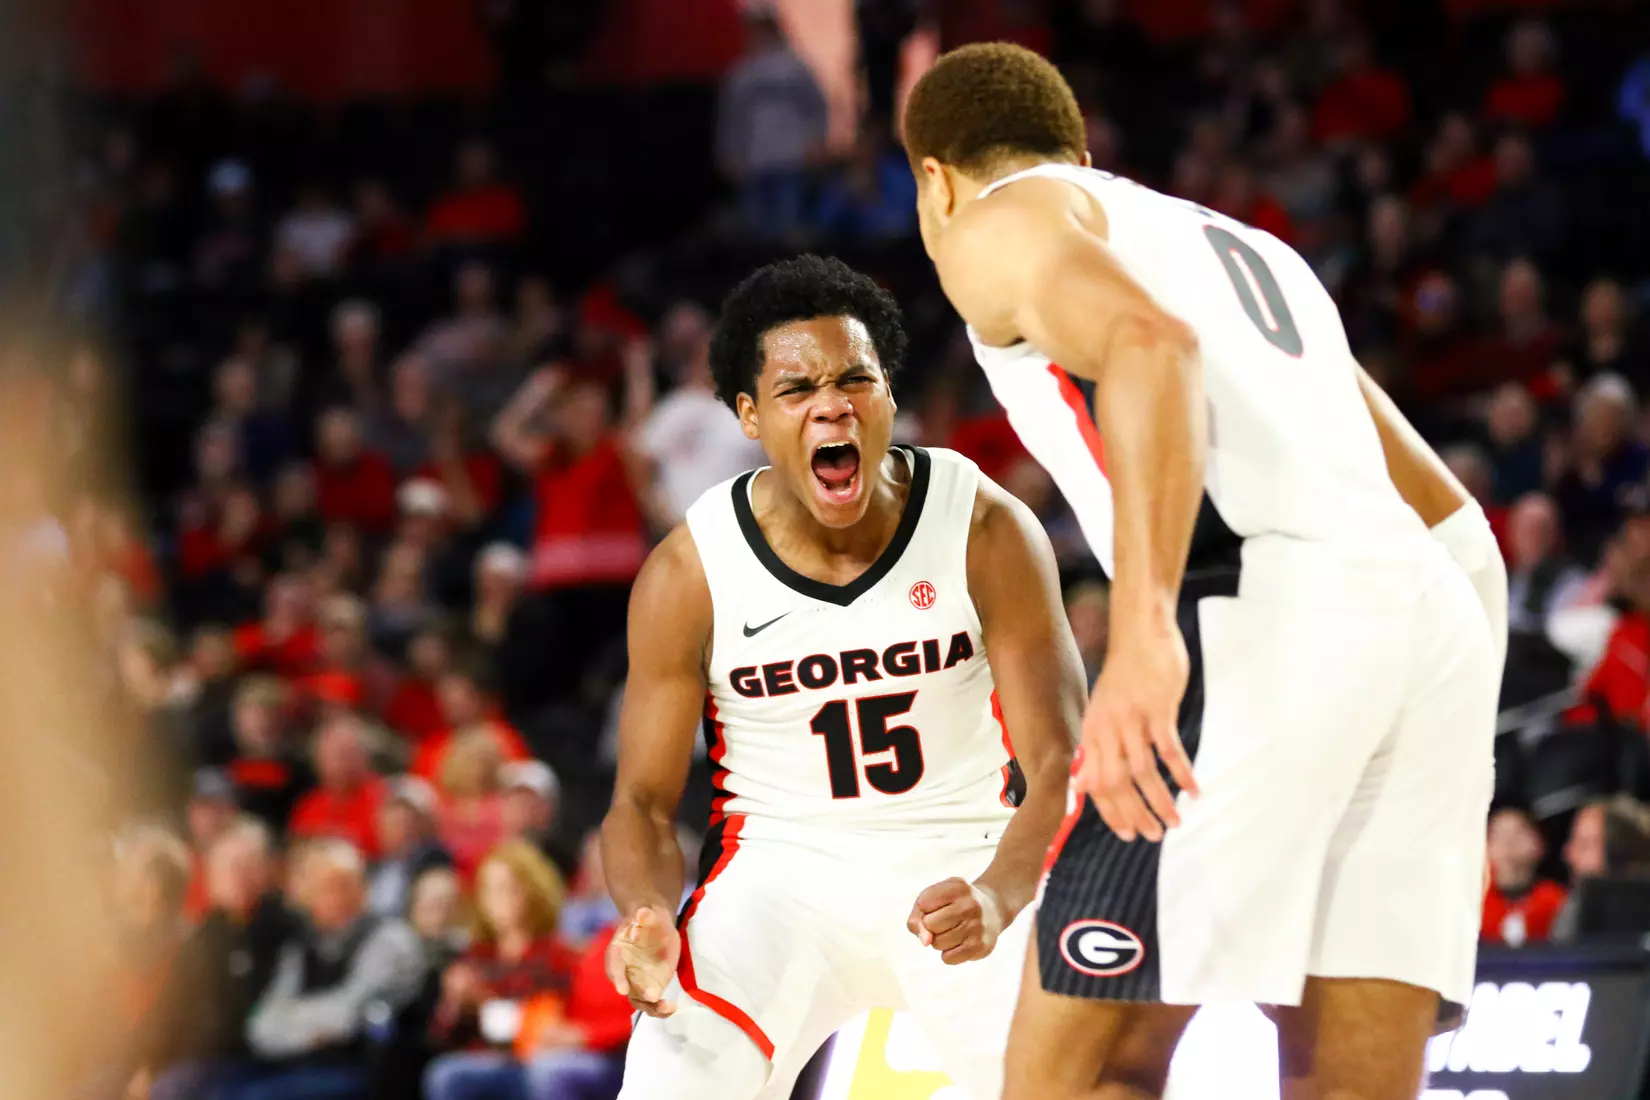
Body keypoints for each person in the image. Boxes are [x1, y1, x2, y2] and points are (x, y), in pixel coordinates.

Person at [904, 42, 1505, 1100]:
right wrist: (1443, 697)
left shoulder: (999, 216)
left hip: (1262, 612)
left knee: (1084, 1069)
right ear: (1085, 148)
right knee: (1345, 1081)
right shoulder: (1246, 249)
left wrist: (1142, 633)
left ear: (935, 181)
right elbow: (1453, 520)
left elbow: (1146, 343)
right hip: (1429, 618)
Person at [602, 255, 1083, 1099]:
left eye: (856, 378)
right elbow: (640, 803)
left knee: (1066, 1081)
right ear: (749, 415)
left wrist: (1004, 894)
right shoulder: (691, 571)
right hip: (778, 879)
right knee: (669, 1074)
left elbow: (1058, 761)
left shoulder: (983, 525)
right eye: (797, 390)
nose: (832, 403)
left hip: (964, 855)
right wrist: (646, 919)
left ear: (889, 397)